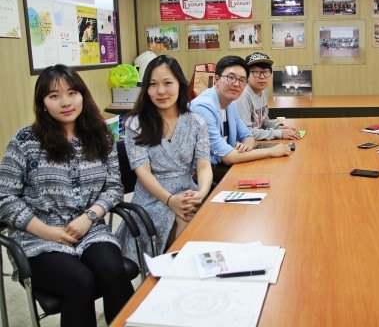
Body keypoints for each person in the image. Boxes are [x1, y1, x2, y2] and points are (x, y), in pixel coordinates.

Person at [0, 64, 133, 326]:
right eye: (54, 96)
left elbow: (114, 187)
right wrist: (48, 232)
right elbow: (5, 199)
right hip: (37, 238)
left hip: (90, 230)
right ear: (42, 103)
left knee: (113, 272)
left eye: (72, 93)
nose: (65, 102)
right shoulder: (25, 141)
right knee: (79, 282)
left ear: (82, 94)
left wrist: (89, 217)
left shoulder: (100, 136)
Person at [115, 55, 212, 258]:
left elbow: (203, 167)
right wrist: (170, 201)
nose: (161, 91)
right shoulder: (136, 124)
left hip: (188, 193)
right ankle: (177, 277)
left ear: (180, 84)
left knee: (215, 215)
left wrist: (201, 193)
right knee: (185, 217)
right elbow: (143, 173)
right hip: (152, 199)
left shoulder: (196, 122)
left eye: (168, 83)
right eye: (153, 84)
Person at [189, 55, 292, 181]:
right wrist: (271, 151)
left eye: (242, 80)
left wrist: (247, 146)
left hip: (221, 166)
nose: (237, 84)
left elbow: (247, 135)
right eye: (231, 78)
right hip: (200, 176)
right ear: (216, 79)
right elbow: (228, 157)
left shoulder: (230, 102)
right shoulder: (203, 107)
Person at [236, 52, 302, 141]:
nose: (262, 76)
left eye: (266, 72)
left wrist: (279, 127)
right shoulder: (243, 95)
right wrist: (279, 133)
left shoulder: (263, 91)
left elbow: (262, 121)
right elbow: (245, 132)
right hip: (243, 146)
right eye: (256, 72)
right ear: (246, 75)